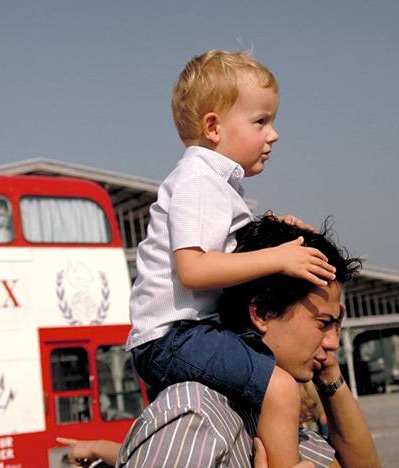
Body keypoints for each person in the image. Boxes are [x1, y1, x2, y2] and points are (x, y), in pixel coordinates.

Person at [127, 49, 336, 468]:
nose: (273, 134)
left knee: (267, 383)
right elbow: (195, 268)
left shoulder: (216, 185)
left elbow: (229, 252)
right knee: (279, 388)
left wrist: (278, 232)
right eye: (261, 122)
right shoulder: (198, 182)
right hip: (172, 337)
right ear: (213, 127)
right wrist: (279, 258)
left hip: (191, 333)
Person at [116, 216, 380, 467]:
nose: (333, 342)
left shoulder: (266, 411)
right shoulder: (194, 415)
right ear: (262, 313)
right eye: (323, 323)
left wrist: (329, 374)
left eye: (338, 324)